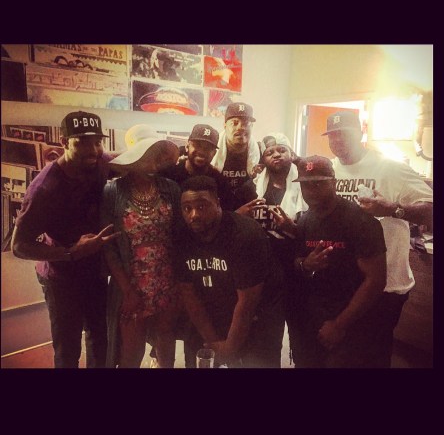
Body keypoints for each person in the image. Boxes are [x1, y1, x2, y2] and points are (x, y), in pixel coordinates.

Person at [323, 110, 433, 367]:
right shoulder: (329, 170)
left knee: (372, 358)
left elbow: (431, 210)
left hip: (385, 287)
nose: (338, 140)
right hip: (342, 284)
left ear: (361, 132)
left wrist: (393, 209)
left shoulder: (390, 168)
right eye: (332, 135)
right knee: (340, 355)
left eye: (344, 134)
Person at [11, 110, 120, 368]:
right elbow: (19, 246)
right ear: (64, 142)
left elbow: (131, 158)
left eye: (97, 141)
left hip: (94, 269)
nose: (93, 150)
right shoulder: (44, 188)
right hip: (60, 276)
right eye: (82, 142)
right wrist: (71, 252)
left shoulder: (100, 162)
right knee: (68, 348)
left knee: (101, 339)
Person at [175, 175, 283, 368]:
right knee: (201, 359)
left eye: (201, 206)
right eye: (187, 208)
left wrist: (229, 348)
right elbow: (188, 294)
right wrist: (213, 342)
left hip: (258, 317)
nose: (193, 215)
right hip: (211, 312)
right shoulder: (182, 237)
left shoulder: (245, 235)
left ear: (218, 203)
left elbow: (247, 303)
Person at [290, 155, 387, 368]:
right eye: (306, 185)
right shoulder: (306, 220)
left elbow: (376, 280)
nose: (311, 191)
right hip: (313, 317)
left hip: (351, 320)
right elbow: (297, 261)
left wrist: (339, 324)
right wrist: (306, 265)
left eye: (318, 183)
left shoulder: (361, 221)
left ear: (333, 182)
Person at [100, 136, 183, 368]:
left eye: (157, 157)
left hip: (166, 279)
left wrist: (179, 282)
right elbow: (109, 246)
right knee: (131, 352)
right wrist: (127, 291)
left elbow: (180, 237)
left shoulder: (170, 189)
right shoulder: (113, 191)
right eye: (147, 157)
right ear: (134, 158)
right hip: (131, 283)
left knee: (165, 341)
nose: (154, 163)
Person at [235, 132, 308, 365]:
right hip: (263, 273)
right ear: (263, 159)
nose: (276, 155)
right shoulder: (251, 187)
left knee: (300, 333)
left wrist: (291, 228)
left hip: (296, 271)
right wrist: (239, 216)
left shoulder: (306, 187)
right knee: (267, 336)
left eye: (281, 150)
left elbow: (316, 232)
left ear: (291, 154)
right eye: (270, 152)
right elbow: (233, 223)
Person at [160, 123, 238, 211]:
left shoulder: (220, 182)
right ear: (187, 146)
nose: (201, 151)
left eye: (208, 148)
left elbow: (227, 212)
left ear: (214, 153)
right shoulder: (169, 174)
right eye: (197, 145)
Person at [211, 102, 260, 196]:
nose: (240, 128)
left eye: (246, 123)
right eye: (235, 123)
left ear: (252, 127)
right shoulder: (210, 152)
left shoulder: (261, 154)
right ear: (225, 126)